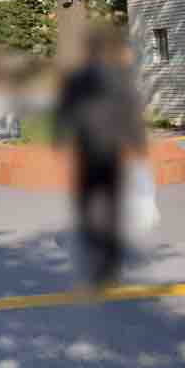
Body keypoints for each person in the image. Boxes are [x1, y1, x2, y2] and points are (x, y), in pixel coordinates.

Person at [53, 24, 148, 287]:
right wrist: (138, 145)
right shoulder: (118, 77)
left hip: (87, 151)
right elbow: (130, 112)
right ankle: (109, 266)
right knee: (112, 207)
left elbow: (63, 113)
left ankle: (96, 257)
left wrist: (59, 140)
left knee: (87, 206)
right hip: (110, 151)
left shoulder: (75, 79)